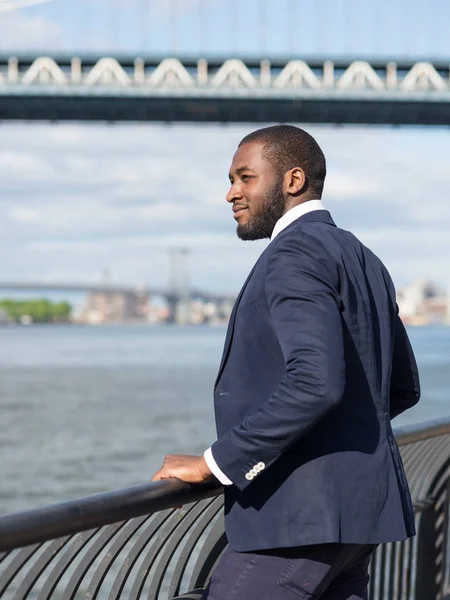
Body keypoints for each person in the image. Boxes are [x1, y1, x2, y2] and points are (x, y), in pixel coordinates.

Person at [152, 125, 421, 600]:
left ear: (292, 180)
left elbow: (316, 383)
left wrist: (216, 463)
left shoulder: (292, 254)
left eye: (245, 178)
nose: (231, 193)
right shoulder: (363, 258)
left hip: (296, 522)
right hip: (359, 521)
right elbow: (401, 387)